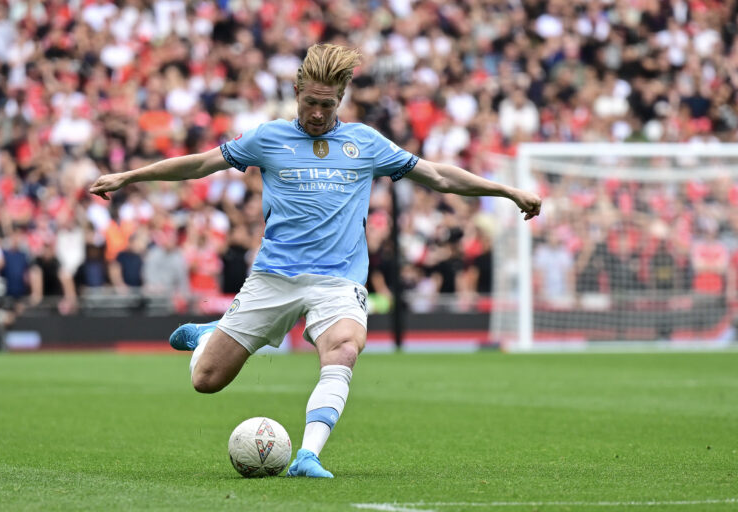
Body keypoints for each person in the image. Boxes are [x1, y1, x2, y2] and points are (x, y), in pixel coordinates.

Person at [89, 44, 541, 478]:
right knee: (206, 380)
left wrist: (506, 191)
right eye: (311, 103)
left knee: (344, 347)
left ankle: (308, 454)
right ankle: (211, 335)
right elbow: (201, 164)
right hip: (274, 277)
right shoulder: (268, 137)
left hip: (338, 280)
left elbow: (439, 175)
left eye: (328, 104)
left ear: (341, 99)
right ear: (296, 95)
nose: (318, 113)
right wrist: (130, 176)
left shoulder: (364, 143)